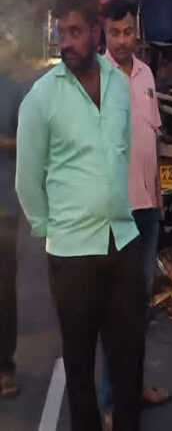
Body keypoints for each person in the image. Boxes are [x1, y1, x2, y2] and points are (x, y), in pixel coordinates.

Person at [16, 0, 146, 431]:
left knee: (129, 363)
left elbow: (122, 151)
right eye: (61, 32)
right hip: (71, 254)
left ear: (96, 33)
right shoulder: (41, 98)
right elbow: (27, 180)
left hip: (122, 242)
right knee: (79, 369)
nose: (65, 41)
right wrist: (51, 228)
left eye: (74, 32)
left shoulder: (119, 86)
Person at [97, 0, 169, 427]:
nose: (123, 41)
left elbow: (152, 135)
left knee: (141, 306)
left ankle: (134, 386)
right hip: (115, 213)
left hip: (148, 209)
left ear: (136, 30)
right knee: (114, 309)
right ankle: (110, 400)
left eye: (128, 32)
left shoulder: (145, 74)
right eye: (115, 34)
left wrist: (158, 193)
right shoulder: (97, 79)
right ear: (103, 34)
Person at [0, 70, 26, 400]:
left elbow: (31, 141)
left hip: (4, 207)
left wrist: (4, 142)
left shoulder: (12, 89)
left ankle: (4, 367)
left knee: (3, 291)